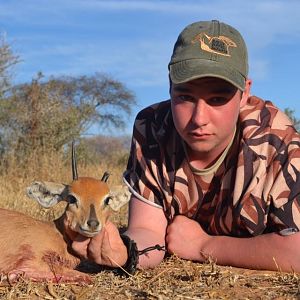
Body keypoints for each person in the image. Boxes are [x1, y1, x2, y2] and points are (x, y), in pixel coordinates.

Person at [71, 20, 300, 273]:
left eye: (217, 99)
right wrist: (125, 251)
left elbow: (296, 250)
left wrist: (204, 246)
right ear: (170, 86)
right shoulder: (152, 127)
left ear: (244, 92)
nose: (199, 118)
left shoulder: (275, 137)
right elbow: (148, 231)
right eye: (185, 97)